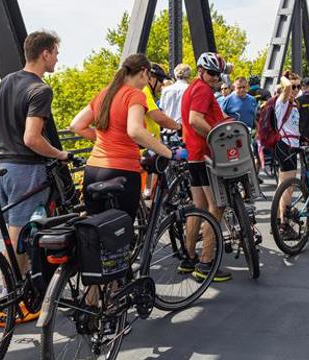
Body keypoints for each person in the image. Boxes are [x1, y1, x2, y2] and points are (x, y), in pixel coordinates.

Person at [0, 31, 68, 323]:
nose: (57, 58)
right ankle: (12, 304)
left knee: (11, 232)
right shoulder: (40, 89)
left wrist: (8, 141)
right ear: (44, 54)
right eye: (55, 53)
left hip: (1, 164)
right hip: (26, 169)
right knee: (17, 238)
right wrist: (60, 154)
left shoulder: (8, 80)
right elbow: (33, 138)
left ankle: (18, 295)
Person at [69, 54, 183, 218]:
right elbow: (135, 131)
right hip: (121, 171)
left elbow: (76, 125)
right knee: (123, 232)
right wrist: (169, 153)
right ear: (144, 72)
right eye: (150, 75)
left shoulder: (105, 94)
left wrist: (107, 138)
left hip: (93, 170)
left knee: (96, 231)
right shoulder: (135, 95)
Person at [179, 52, 232, 282]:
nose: (215, 78)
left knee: (197, 206)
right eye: (211, 73)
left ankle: (189, 257)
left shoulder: (191, 88)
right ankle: (206, 262)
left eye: (218, 74)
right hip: (207, 155)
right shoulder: (202, 89)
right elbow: (194, 119)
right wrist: (216, 136)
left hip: (194, 155)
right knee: (216, 207)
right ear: (201, 71)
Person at [273, 71, 303, 239]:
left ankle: (277, 221)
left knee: (282, 185)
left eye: (299, 86)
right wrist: (285, 77)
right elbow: (285, 86)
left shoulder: (293, 103)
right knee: (288, 188)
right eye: (294, 86)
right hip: (286, 145)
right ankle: (284, 225)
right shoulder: (282, 101)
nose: (296, 89)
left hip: (290, 144)